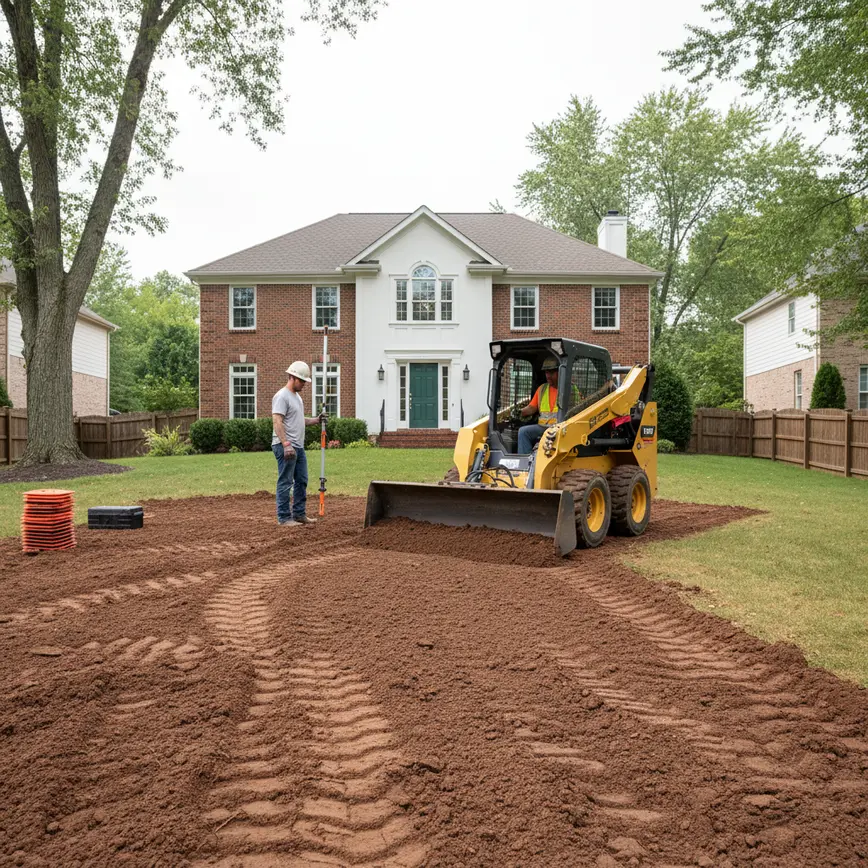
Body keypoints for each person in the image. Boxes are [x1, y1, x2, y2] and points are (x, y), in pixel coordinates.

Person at [272, 361, 327, 526]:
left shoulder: (297, 398)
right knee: (286, 481)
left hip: (298, 446)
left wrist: (316, 420)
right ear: (292, 377)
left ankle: (299, 514)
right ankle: (284, 518)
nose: (304, 384)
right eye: (302, 380)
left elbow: (298, 420)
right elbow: (277, 421)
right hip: (286, 446)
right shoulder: (282, 396)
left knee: (302, 480)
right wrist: (286, 444)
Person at [517, 357, 561, 454]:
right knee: (523, 432)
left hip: (560, 429)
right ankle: (526, 460)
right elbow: (532, 407)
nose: (548, 376)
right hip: (543, 427)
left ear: (560, 372)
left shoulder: (570, 389)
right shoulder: (542, 389)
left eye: (551, 373)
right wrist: (519, 412)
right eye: (546, 372)